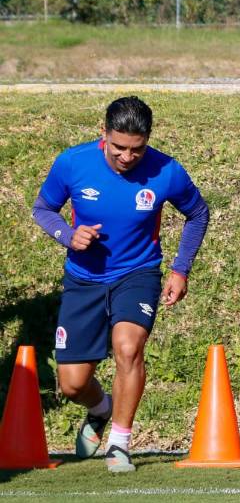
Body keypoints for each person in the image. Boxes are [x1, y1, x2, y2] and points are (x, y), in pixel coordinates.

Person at [31, 96, 209, 473]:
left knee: (128, 348)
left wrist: (180, 269)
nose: (128, 157)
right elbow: (42, 209)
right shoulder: (72, 163)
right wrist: (67, 235)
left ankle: (120, 443)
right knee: (72, 384)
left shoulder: (167, 171)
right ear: (103, 135)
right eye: (119, 148)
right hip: (84, 279)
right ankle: (101, 408)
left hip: (138, 273)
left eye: (137, 149)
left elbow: (197, 212)